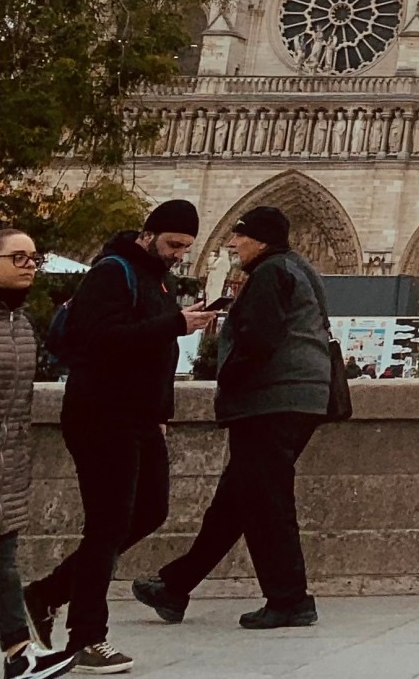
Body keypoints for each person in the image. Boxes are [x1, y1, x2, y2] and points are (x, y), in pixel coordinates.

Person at [24, 200, 215, 678]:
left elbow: (151, 355)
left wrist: (160, 413)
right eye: (173, 244)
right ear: (149, 233)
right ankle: (87, 638)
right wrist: (177, 323)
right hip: (99, 414)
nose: (177, 254)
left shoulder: (155, 278)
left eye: (185, 248)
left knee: (151, 511)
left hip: (139, 417)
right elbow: (102, 338)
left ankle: (47, 593)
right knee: (107, 526)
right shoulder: (112, 272)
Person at [137, 206, 334, 632]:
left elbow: (257, 340)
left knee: (268, 502)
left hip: (272, 401)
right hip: (300, 397)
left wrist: (227, 376)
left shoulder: (268, 274)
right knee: (238, 500)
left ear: (260, 240)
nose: (233, 243)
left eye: (239, 237)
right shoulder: (297, 269)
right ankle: (175, 585)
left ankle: (290, 600)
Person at [0, 230, 74, 679]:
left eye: (34, 258)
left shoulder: (21, 324)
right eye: (18, 256)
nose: (29, 265)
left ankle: (19, 655)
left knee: (3, 561)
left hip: (9, 461)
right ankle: (18, 655)